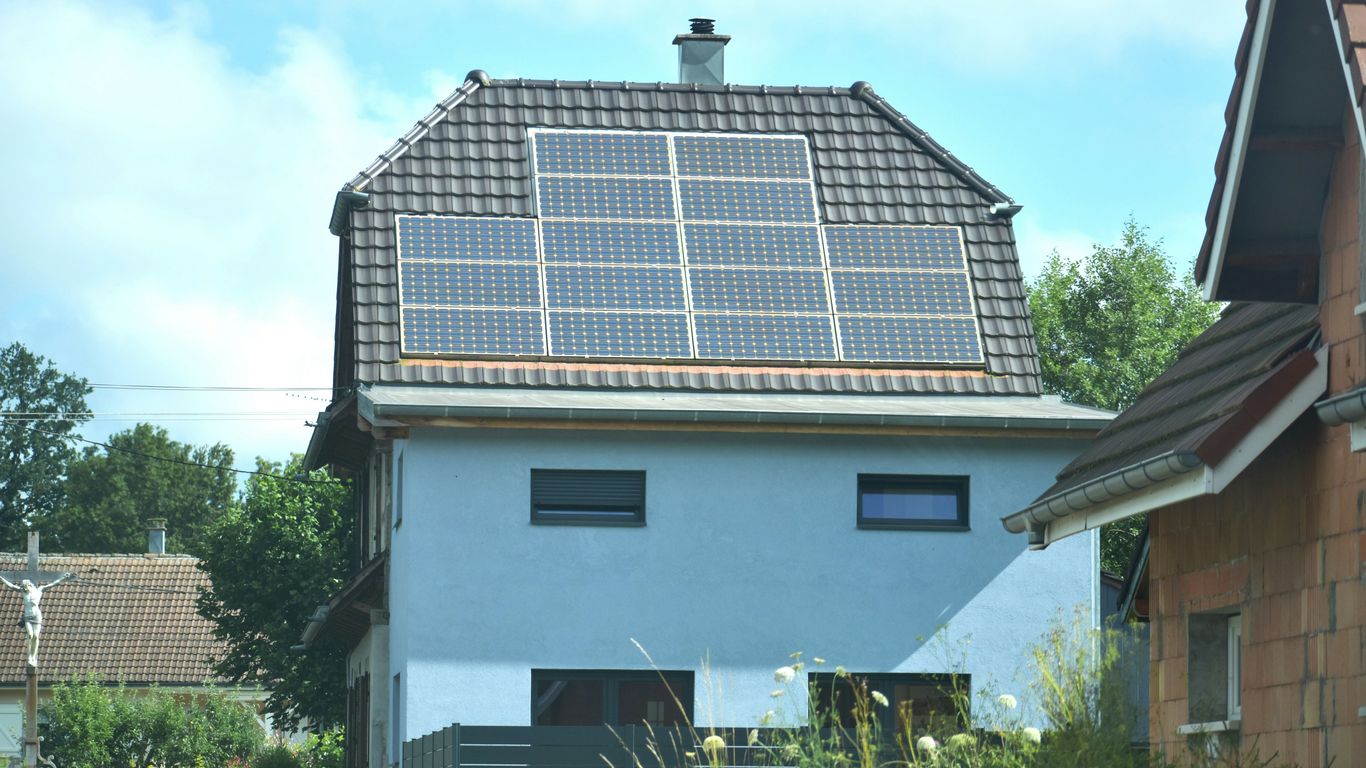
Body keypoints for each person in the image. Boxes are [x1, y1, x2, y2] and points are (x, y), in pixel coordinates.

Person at [0, 573, 71, 668]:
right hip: (27, 616)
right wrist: (1, 578)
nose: (24, 588)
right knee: (30, 635)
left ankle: (33, 657)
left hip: (37, 616)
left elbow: (52, 584)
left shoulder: (39, 590)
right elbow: (11, 586)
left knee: (36, 636)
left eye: (25, 587)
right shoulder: (23, 591)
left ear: (29, 585)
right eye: (23, 587)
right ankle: (29, 657)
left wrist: (63, 578)